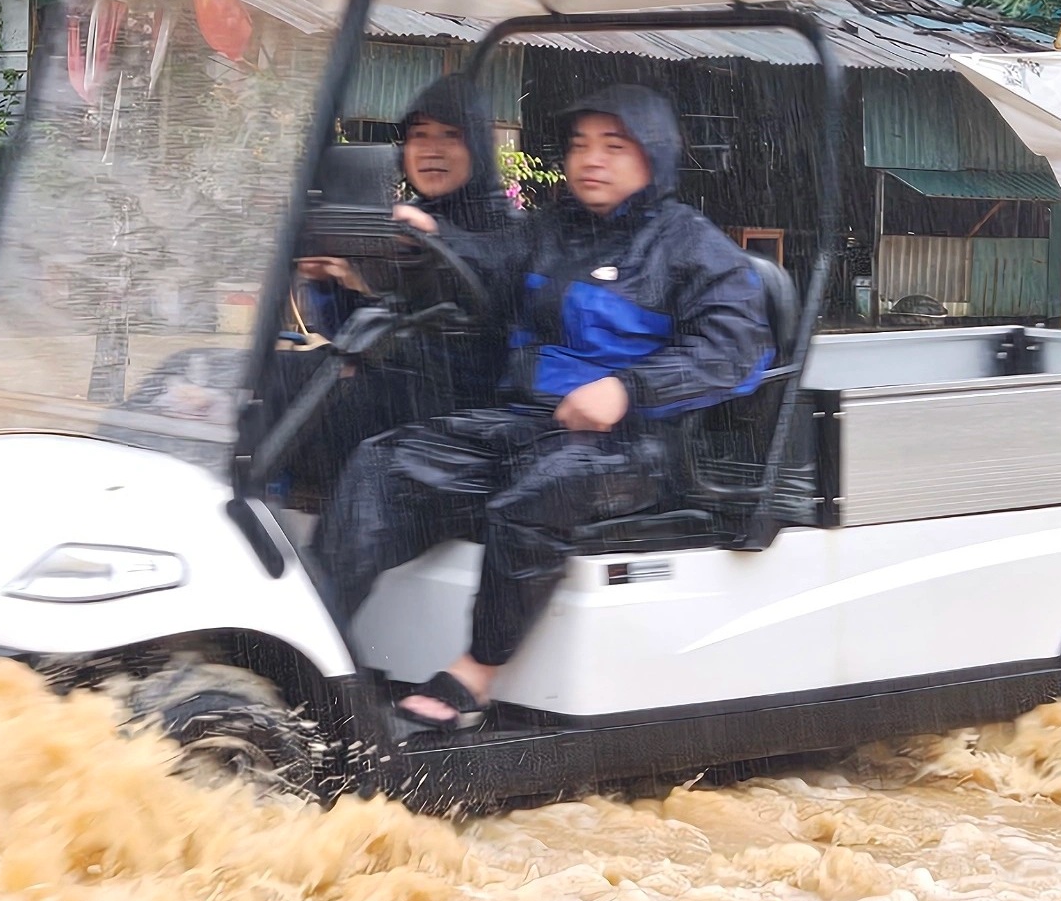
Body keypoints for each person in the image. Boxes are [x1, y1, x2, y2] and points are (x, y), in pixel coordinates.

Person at [318, 84, 775, 730]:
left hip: (639, 443)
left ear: (655, 155)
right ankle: (314, 645)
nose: (591, 159)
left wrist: (628, 389)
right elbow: (485, 263)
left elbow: (735, 351)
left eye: (613, 146)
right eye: (581, 145)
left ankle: (475, 674)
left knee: (539, 490)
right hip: (532, 421)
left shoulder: (692, 247)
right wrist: (428, 235)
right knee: (386, 462)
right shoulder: (554, 230)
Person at [277, 76, 517, 495]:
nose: (432, 150)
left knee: (306, 394)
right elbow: (344, 330)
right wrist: (333, 281)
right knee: (249, 372)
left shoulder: (510, 232)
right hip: (397, 387)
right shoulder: (398, 226)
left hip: (460, 410)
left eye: (451, 136)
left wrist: (439, 239)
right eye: (419, 135)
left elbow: (486, 311)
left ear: (478, 147)